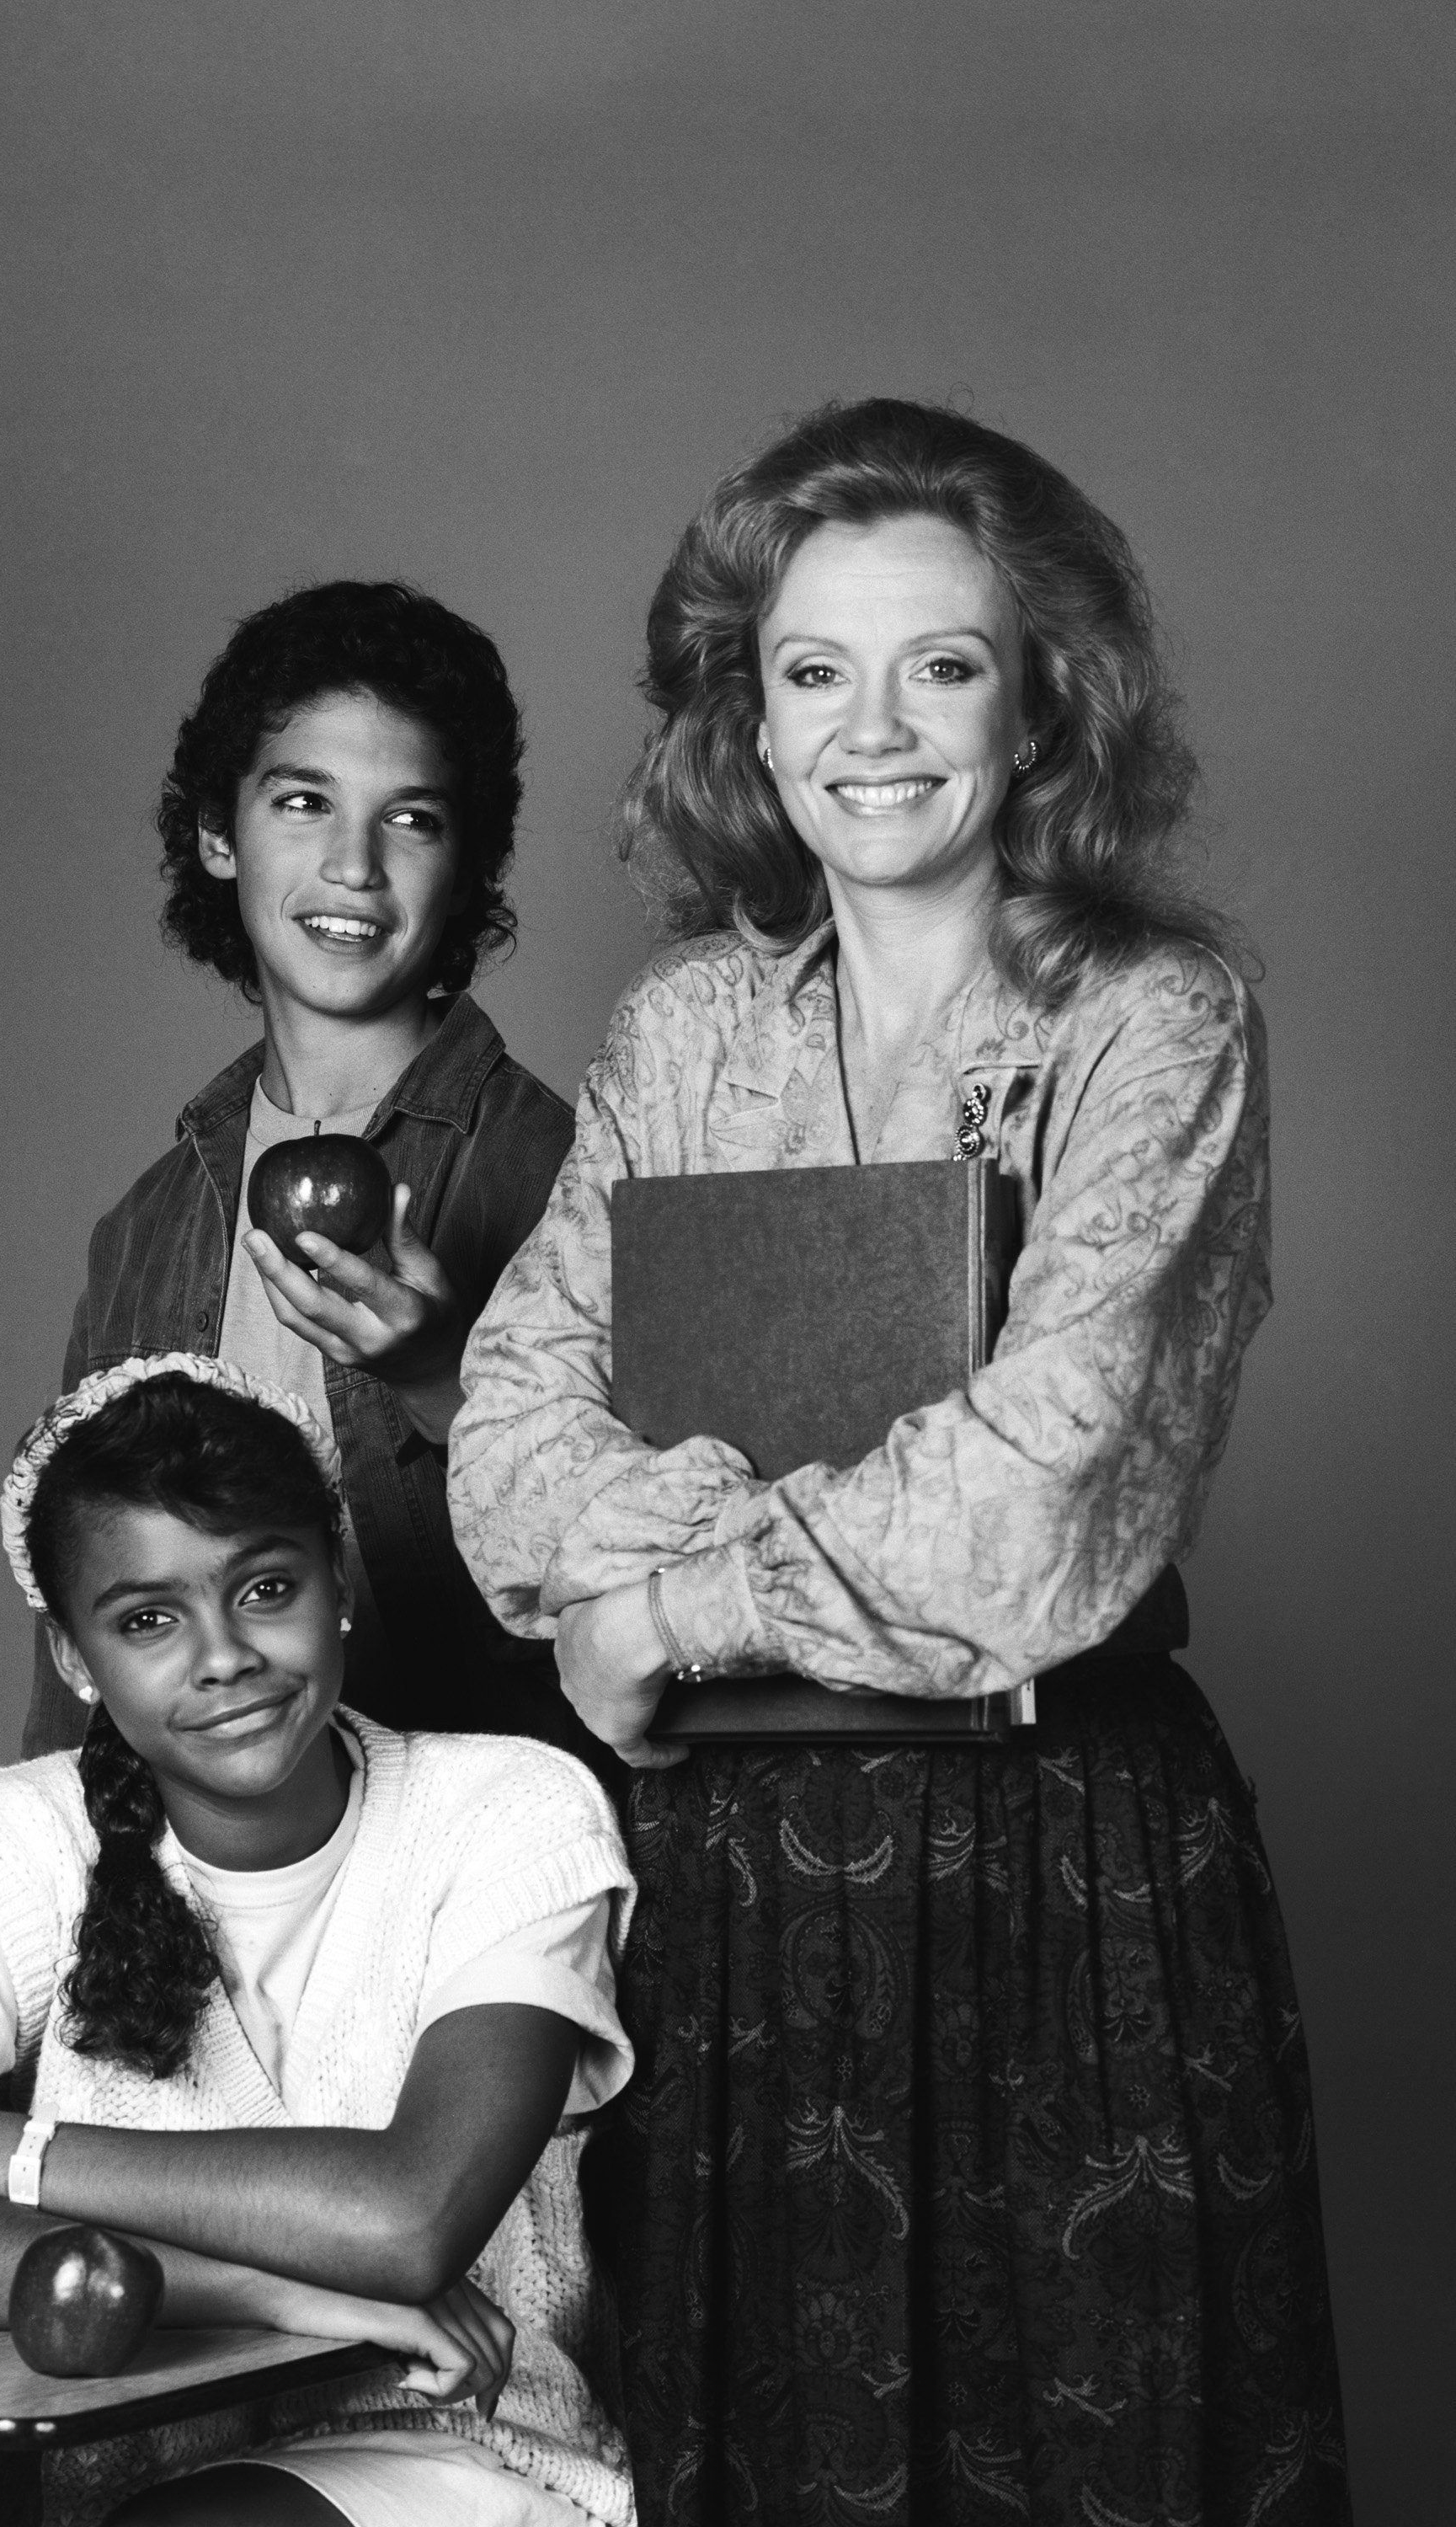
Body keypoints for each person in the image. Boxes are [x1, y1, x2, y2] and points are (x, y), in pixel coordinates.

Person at [447, 399, 1350, 2524]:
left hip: (1068, 1882)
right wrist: (723, 1548)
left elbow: (1033, 1507)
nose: (873, 727)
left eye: (938, 663)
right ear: (746, 725)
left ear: (1039, 709)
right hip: (729, 1903)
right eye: (811, 670)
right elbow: (501, 1453)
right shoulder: (683, 1031)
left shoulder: (1156, 1018)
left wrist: (664, 1596)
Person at [0, 1356, 637, 2527]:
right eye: (147, 1620)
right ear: (75, 1659)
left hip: (448, 2444)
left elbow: (405, 2221)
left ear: (336, 1582)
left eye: (264, 1589)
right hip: (115, 2451)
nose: (221, 1656)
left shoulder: (509, 1811)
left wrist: (18, 2156)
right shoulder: (18, 1836)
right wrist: (269, 2292)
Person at [22, 581, 577, 1760]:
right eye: (303, 802)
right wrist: (71, 1873)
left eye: (412, 818)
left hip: (489, 1848)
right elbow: (80, 1619)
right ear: (219, 833)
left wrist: (440, 1379)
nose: (354, 866)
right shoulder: (149, 1224)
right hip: (218, 1865)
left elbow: (645, 1575)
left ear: (465, 860)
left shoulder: (565, 1172)